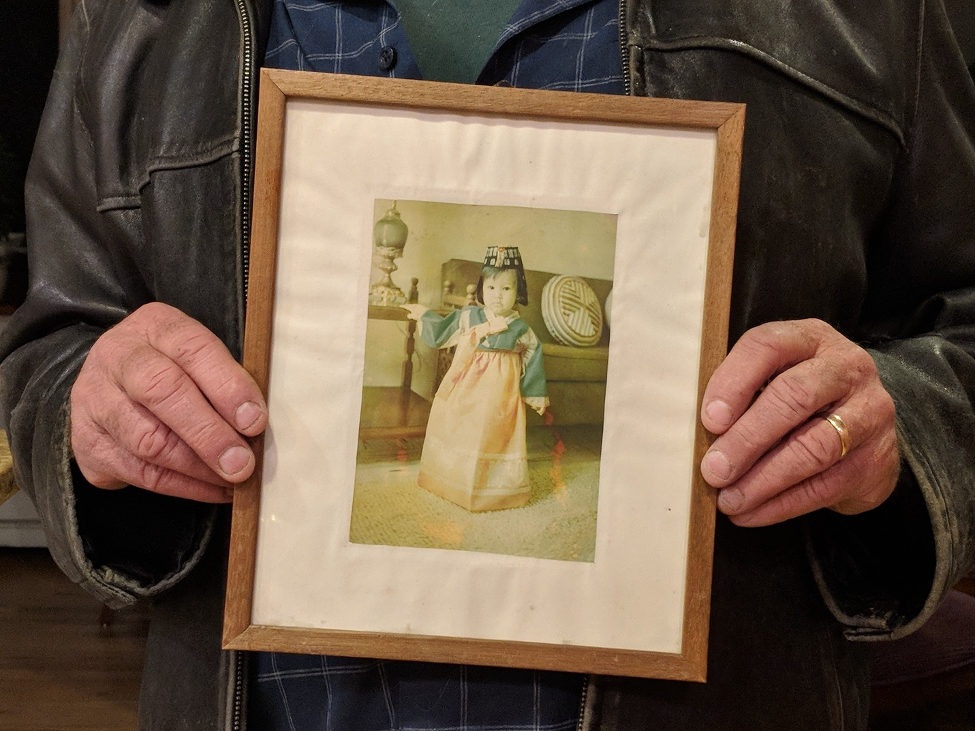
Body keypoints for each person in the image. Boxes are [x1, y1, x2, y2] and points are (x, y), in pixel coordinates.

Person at [0, 0, 972, 729]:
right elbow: (59, 336)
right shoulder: (133, 17)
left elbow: (955, 321)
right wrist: (97, 407)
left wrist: (895, 425)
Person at [403, 245, 548, 512]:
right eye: (492, 288)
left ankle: (493, 489)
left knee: (494, 432)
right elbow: (443, 330)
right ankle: (450, 480)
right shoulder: (469, 316)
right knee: (460, 424)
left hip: (500, 391)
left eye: (506, 289)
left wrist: (533, 393)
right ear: (482, 288)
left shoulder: (520, 328)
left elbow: (533, 356)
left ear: (518, 293)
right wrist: (424, 314)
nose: (497, 296)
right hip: (467, 384)